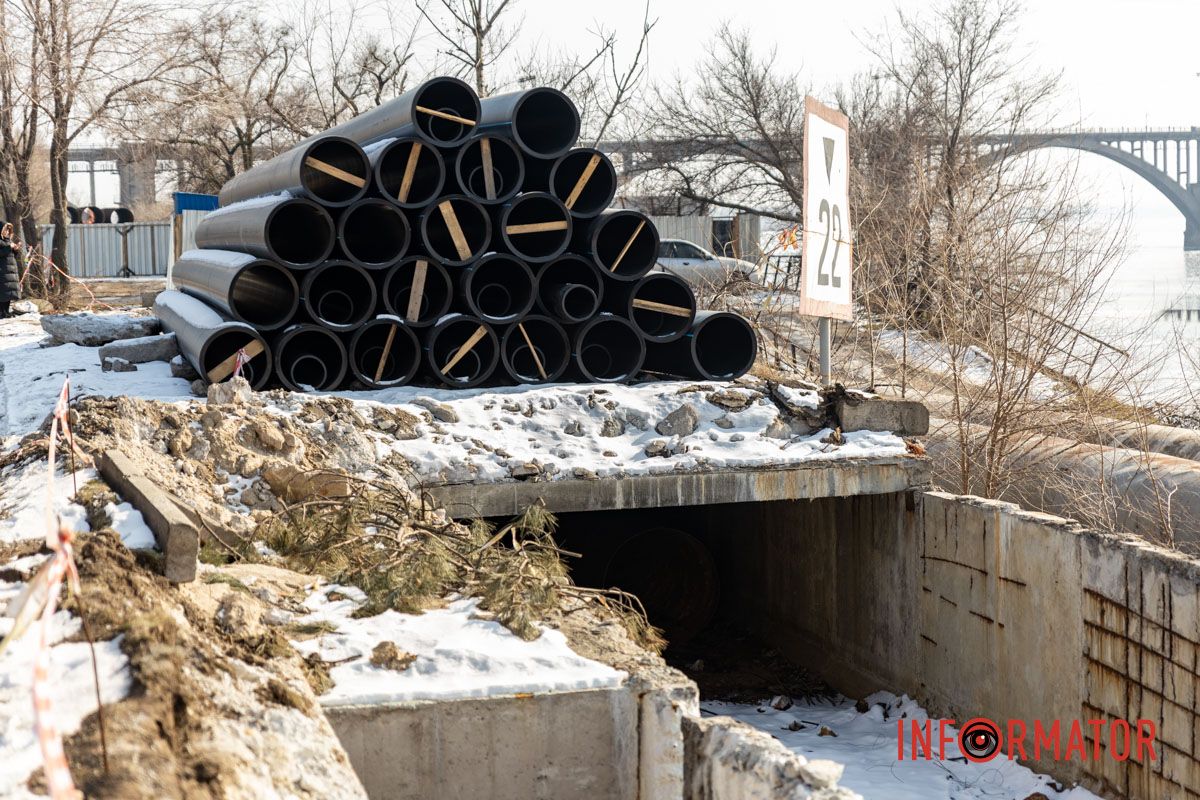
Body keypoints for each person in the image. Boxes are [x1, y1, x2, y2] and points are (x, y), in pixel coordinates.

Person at [0, 223, 23, 318]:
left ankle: (6, 312)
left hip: (10, 270)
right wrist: (9, 248)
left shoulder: (8, 241)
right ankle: (2, 312)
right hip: (2, 271)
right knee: (2, 293)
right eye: (5, 229)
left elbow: (11, 256)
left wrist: (15, 250)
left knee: (8, 293)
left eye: (9, 230)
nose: (7, 232)